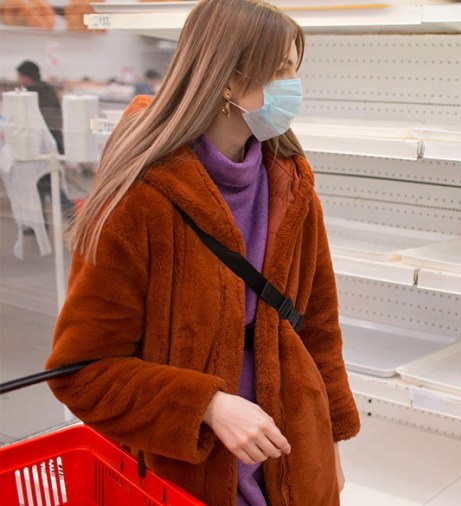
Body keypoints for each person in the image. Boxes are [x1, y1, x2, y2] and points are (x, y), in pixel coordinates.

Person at [44, 0, 360, 504]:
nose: (292, 88)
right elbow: (81, 370)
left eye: (293, 72)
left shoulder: (290, 181)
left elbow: (317, 322)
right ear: (228, 80)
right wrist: (206, 404)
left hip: (291, 456)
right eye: (280, 72)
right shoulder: (138, 197)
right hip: (186, 471)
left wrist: (330, 443)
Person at [14, 60, 75, 227]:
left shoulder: (34, 94)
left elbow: (42, 122)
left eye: (19, 76)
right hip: (50, 145)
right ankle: (43, 223)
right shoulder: (46, 90)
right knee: (47, 184)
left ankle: (49, 222)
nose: (17, 79)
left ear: (27, 77)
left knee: (48, 184)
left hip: (45, 146)